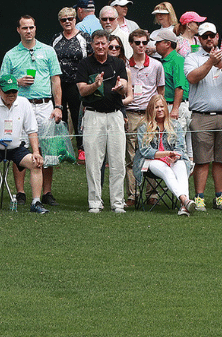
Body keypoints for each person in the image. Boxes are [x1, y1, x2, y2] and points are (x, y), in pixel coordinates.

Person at [0, 15, 62, 207]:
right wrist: (17, 82)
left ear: (35, 29)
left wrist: (58, 106)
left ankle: (47, 191)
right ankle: (21, 192)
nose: (28, 31)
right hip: (20, 103)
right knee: (20, 147)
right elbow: (2, 82)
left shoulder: (48, 51)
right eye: (24, 28)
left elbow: (56, 80)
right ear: (18, 30)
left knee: (46, 148)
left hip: (44, 104)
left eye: (31, 27)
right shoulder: (11, 55)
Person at [184, 21, 222, 210]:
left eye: (212, 36)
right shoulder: (192, 57)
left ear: (217, 37)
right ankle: (199, 197)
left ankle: (220, 197)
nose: (209, 39)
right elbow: (192, 78)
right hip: (201, 116)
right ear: (199, 39)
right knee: (201, 160)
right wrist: (210, 62)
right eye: (205, 36)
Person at [76, 28, 131, 213]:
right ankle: (95, 202)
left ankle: (117, 202)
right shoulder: (85, 64)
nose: (100, 47)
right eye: (97, 43)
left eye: (103, 43)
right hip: (92, 115)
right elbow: (82, 91)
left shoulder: (118, 63)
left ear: (109, 44)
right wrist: (95, 85)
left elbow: (125, 89)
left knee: (117, 161)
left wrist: (120, 88)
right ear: (92, 45)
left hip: (115, 115)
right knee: (93, 162)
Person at [0, 75, 46, 214]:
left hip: (16, 147)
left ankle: (36, 202)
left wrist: (36, 152)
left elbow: (32, 130)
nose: (11, 95)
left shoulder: (24, 103)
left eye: (14, 92)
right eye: (8, 92)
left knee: (36, 163)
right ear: (0, 91)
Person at [134, 94, 192, 214]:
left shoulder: (175, 125)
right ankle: (184, 199)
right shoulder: (143, 126)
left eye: (162, 107)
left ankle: (184, 206)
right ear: (151, 109)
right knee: (166, 170)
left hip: (171, 159)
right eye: (156, 107)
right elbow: (145, 151)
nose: (160, 109)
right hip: (150, 161)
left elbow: (180, 148)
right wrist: (167, 153)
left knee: (181, 165)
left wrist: (175, 156)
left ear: (166, 108)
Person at [124, 28, 162, 206]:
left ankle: (152, 193)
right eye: (137, 42)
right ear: (131, 44)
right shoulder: (125, 65)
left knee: (151, 153)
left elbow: (160, 91)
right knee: (131, 155)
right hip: (131, 112)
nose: (141, 46)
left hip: (149, 115)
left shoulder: (156, 65)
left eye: (144, 43)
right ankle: (133, 194)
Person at [52, 7, 89, 163]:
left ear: (75, 19)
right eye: (63, 19)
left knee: (78, 116)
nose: (67, 22)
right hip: (59, 83)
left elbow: (90, 60)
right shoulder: (56, 38)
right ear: (60, 22)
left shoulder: (84, 37)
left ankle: (81, 148)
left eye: (70, 18)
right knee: (61, 117)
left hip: (77, 83)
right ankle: (63, 149)